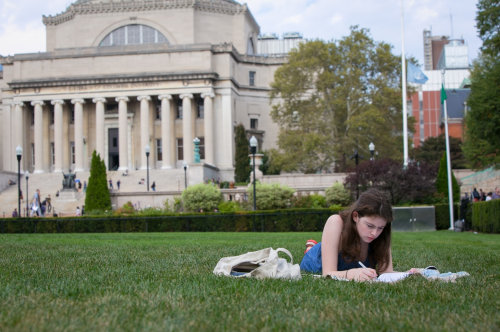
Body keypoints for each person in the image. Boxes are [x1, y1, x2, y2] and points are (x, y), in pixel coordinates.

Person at [300, 188, 399, 282]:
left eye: (380, 228)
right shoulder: (336, 222)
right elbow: (327, 273)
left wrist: (409, 273)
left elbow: (386, 273)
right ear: (356, 216)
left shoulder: (381, 234)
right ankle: (310, 248)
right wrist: (350, 274)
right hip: (315, 260)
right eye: (369, 226)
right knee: (321, 249)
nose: (374, 233)